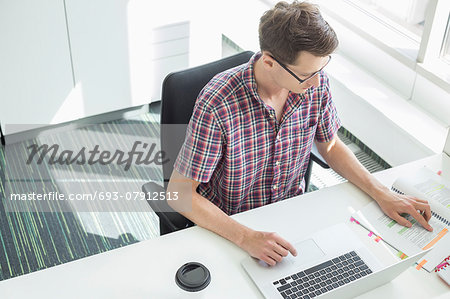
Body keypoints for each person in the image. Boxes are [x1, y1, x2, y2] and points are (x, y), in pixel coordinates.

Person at [166, 0, 433, 266]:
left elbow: (330, 146)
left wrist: (381, 191)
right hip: (232, 226)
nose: (318, 82)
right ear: (269, 63)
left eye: (321, 69)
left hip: (293, 215)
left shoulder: (314, 85)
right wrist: (246, 237)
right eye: (306, 75)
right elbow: (179, 193)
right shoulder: (218, 103)